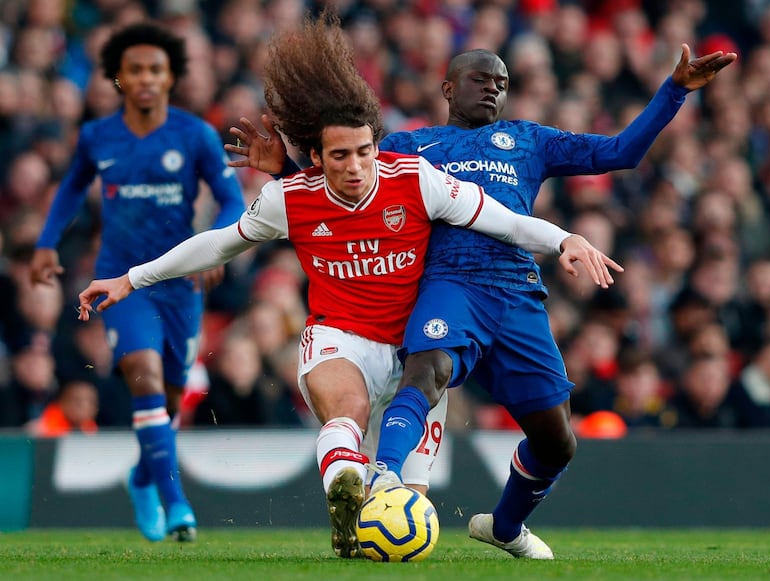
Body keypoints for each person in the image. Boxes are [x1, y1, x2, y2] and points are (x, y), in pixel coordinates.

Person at [76, 11, 622, 560]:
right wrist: (131, 278)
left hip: (410, 347)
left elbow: (502, 220)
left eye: (365, 152)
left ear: (376, 148)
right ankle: (343, 491)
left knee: (406, 508)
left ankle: (363, 519)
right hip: (341, 338)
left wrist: (564, 238)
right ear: (317, 158)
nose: (357, 167)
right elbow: (217, 243)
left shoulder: (414, 179)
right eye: (340, 155)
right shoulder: (290, 198)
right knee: (348, 415)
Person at [364, 44, 737, 559]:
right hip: (450, 283)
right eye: (480, 78)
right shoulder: (412, 145)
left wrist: (674, 92)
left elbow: (619, 153)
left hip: (518, 294)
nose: (494, 86)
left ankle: (505, 526)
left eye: (502, 81)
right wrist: (283, 170)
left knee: (557, 442)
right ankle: (383, 480)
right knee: (426, 370)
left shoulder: (527, 139)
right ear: (448, 87)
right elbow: (341, 179)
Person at [30, 22, 246, 543]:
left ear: (171, 76)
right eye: (136, 70)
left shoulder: (193, 134)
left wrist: (219, 240)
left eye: (156, 69)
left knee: (169, 399)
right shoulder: (96, 136)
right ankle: (176, 505)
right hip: (119, 283)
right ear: (119, 78)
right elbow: (69, 191)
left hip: (180, 285)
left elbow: (234, 200)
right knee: (143, 376)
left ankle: (142, 477)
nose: (147, 78)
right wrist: (45, 243)